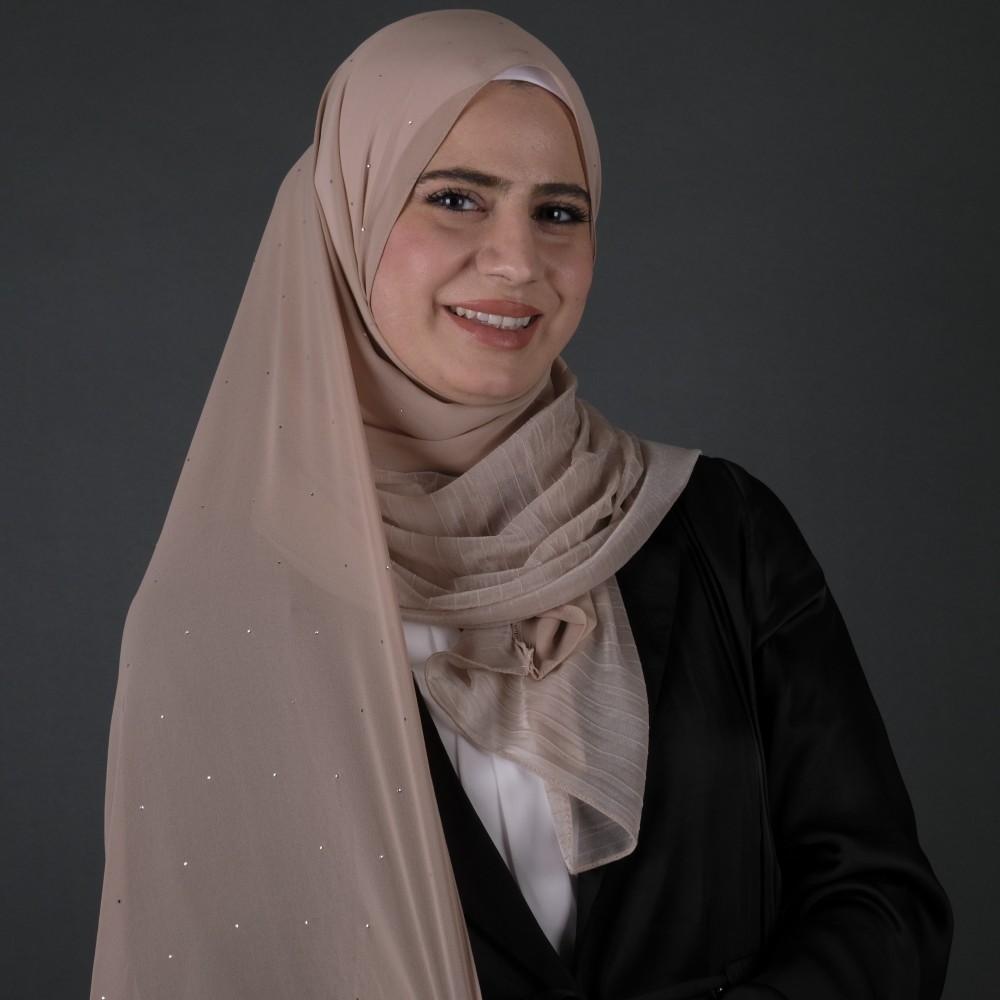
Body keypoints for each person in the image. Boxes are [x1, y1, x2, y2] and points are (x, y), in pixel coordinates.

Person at [91, 10, 951, 999]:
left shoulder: (719, 528)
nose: (516, 261)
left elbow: (883, 904)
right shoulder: (223, 615)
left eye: (558, 212)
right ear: (346, 217)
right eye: (455, 198)